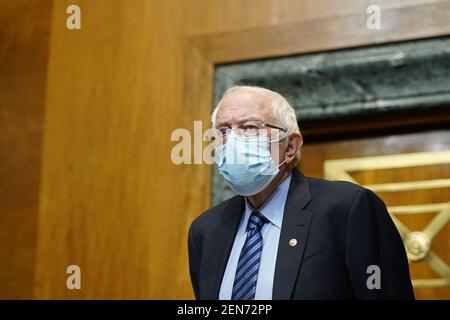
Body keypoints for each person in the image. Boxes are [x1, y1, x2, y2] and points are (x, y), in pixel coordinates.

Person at [188, 85, 414, 300]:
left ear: (290, 147)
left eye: (250, 127)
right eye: (223, 130)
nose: (232, 140)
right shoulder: (206, 230)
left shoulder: (346, 209)